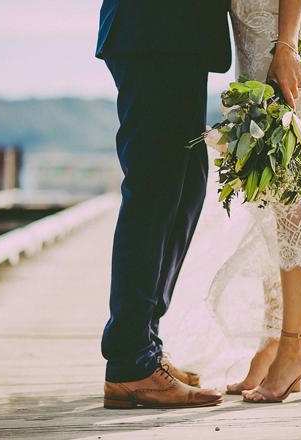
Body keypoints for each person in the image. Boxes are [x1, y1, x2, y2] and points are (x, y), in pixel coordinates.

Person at [95, 0, 231, 409]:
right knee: (155, 187)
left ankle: (144, 345)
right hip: (154, 29)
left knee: (187, 185)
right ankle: (131, 360)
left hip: (176, 34)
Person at [208, 0, 301, 401]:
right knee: (266, 200)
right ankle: (273, 342)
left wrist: (287, 45)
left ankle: (297, 345)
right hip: (255, 35)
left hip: (286, 35)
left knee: (291, 189)